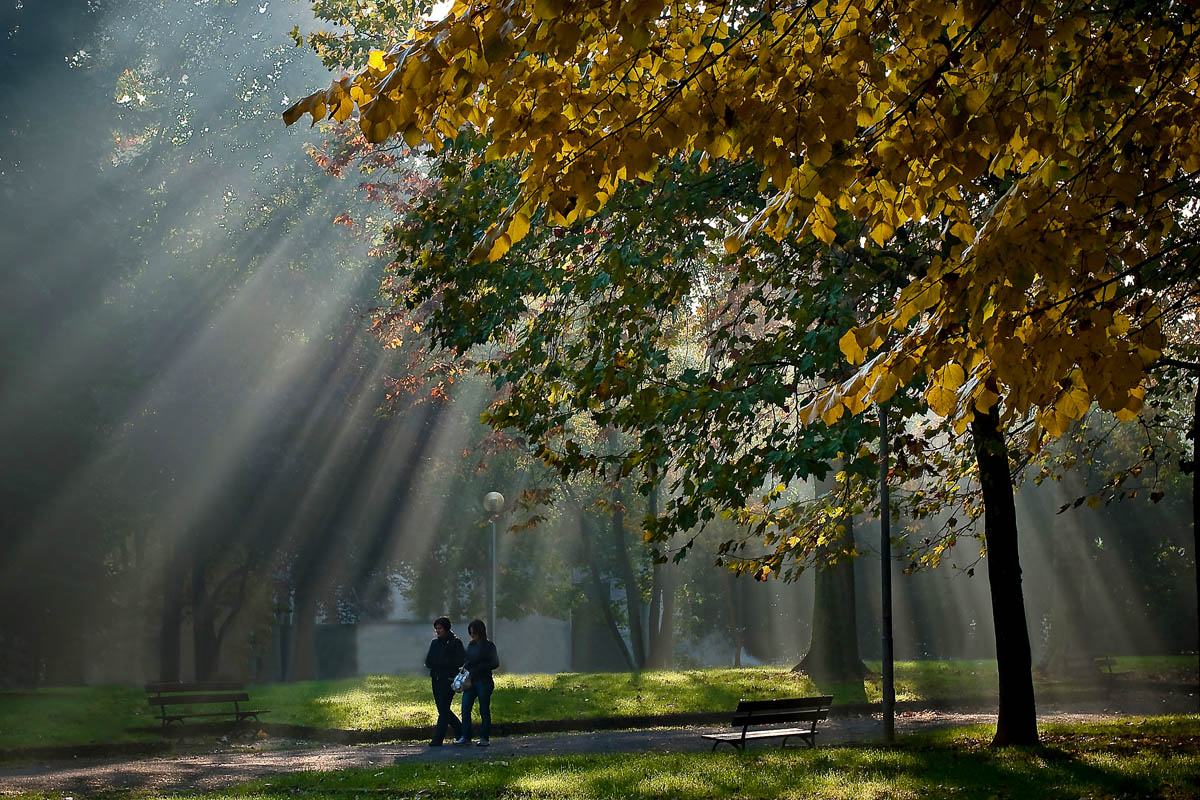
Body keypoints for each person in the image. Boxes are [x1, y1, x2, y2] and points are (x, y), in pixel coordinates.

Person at [454, 618, 499, 747]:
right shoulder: (471, 645)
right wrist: (466, 665)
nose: (473, 636)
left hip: (484, 681)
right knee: (465, 708)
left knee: (484, 709)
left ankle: (484, 737)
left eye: (475, 633)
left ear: (481, 632)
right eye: (471, 633)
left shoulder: (489, 646)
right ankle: (466, 736)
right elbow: (467, 659)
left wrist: (480, 667)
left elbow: (495, 663)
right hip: (471, 681)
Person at [424, 616, 464, 746]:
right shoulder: (435, 643)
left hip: (448, 679)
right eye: (436, 628)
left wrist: (442, 663)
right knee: (443, 709)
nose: (437, 631)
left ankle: (437, 739)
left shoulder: (455, 642)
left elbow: (460, 660)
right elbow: (428, 661)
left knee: (444, 708)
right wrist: (436, 664)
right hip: (436, 679)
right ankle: (462, 731)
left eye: (440, 628)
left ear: (446, 628)